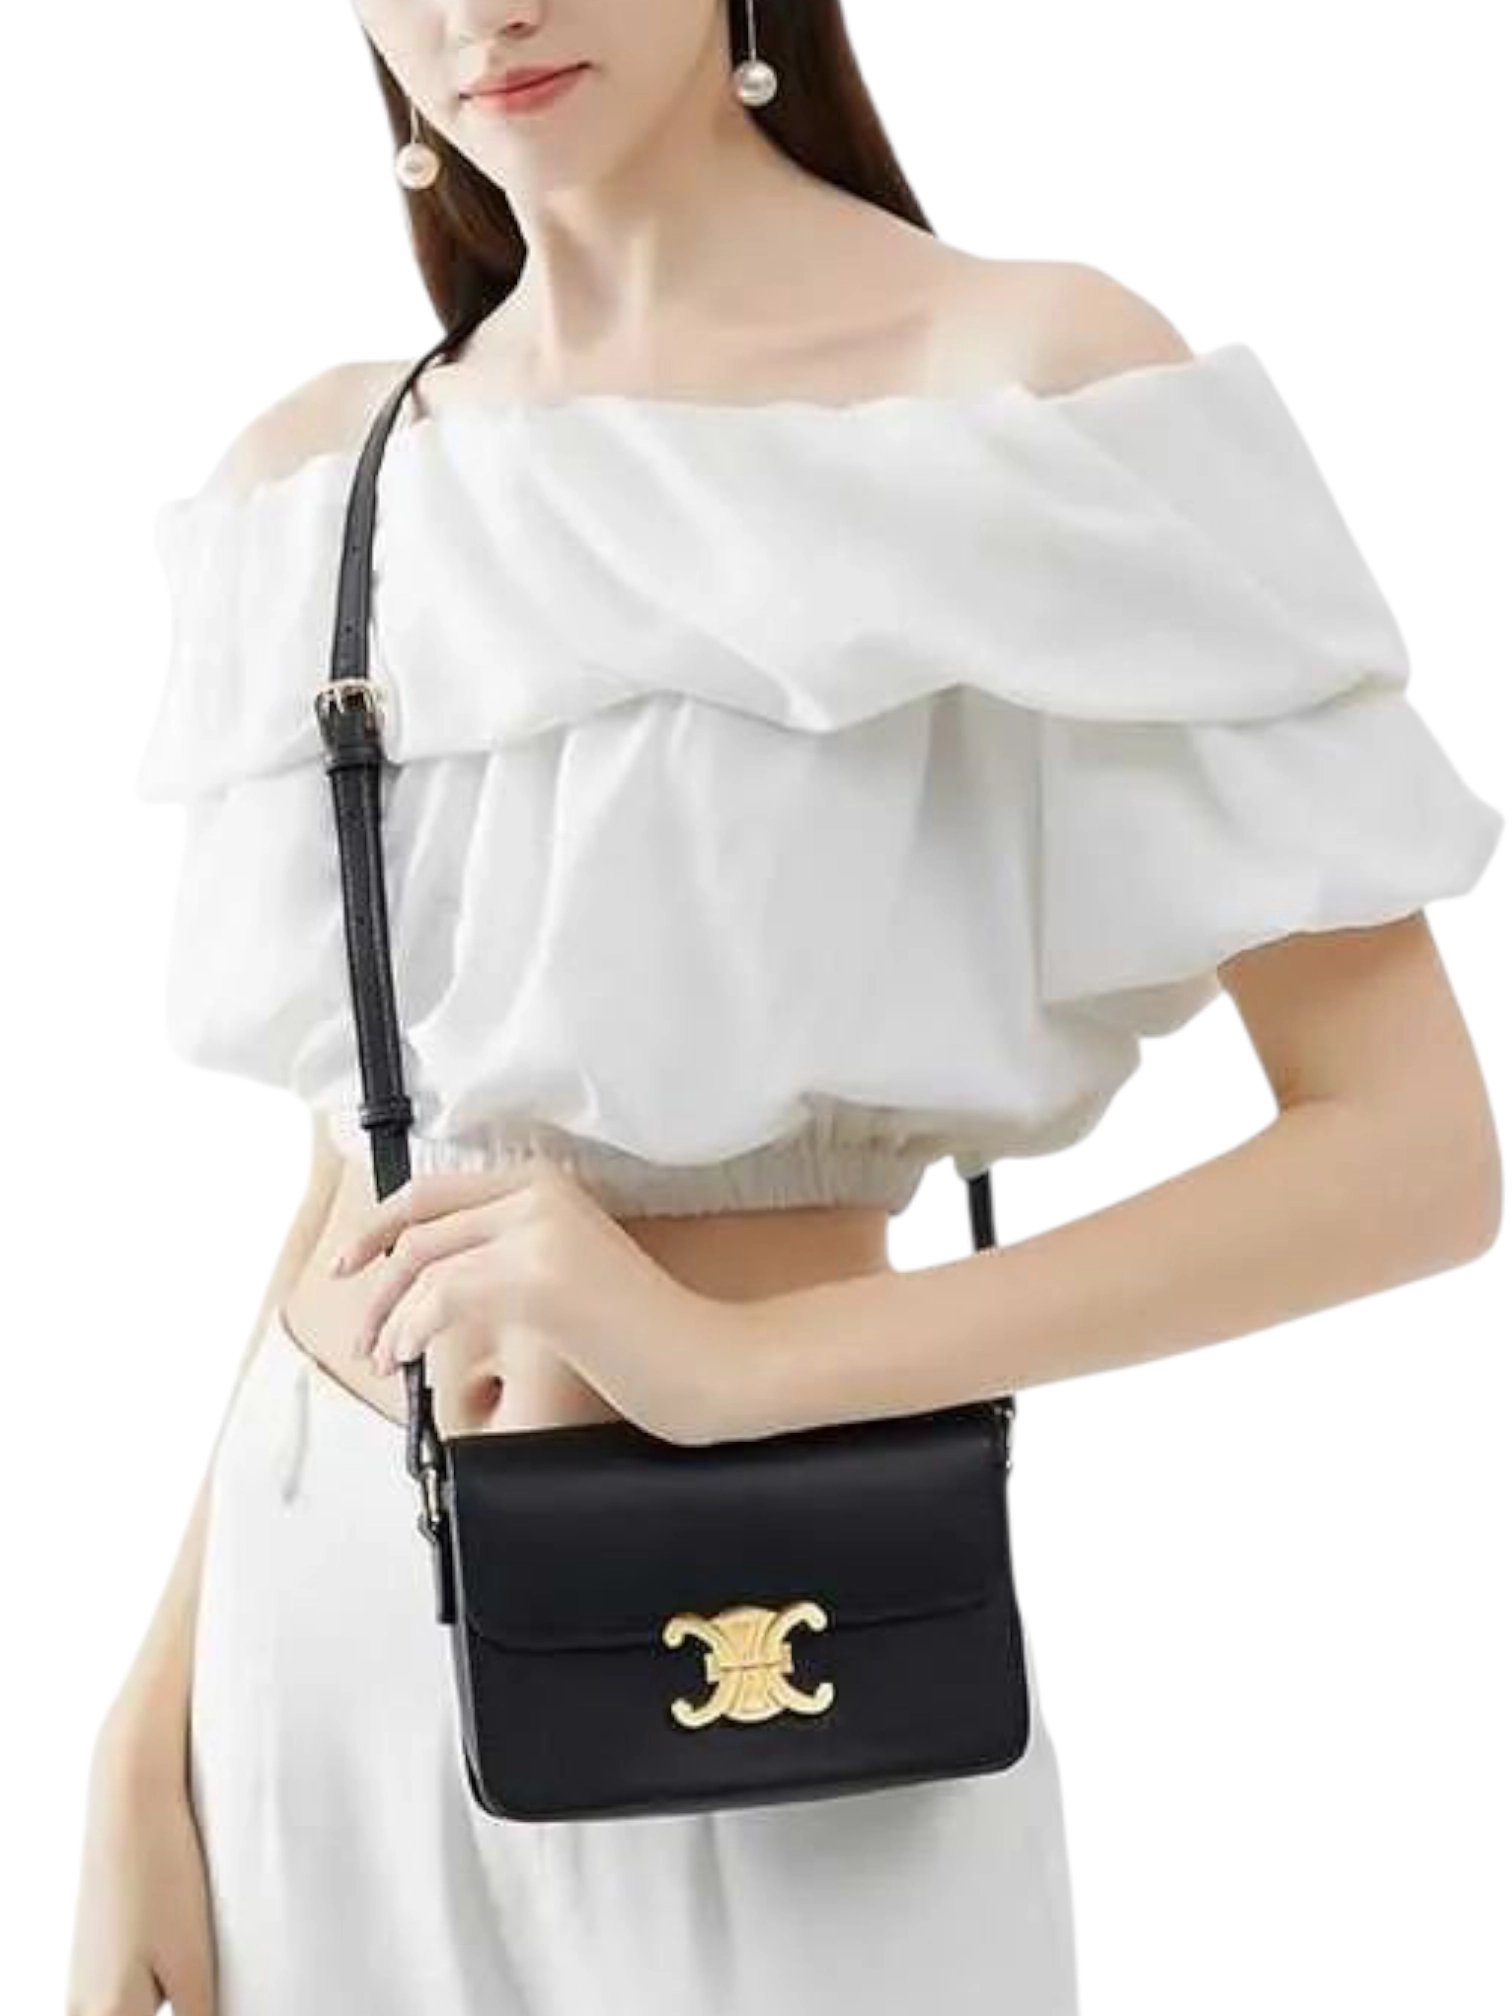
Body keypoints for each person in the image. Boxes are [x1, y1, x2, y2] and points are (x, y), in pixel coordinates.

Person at [68, 2, 1505, 2012]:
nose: (484, 8)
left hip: (771, 1629)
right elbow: (365, 1172)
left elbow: (1415, 1158)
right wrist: (146, 1730)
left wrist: (747, 1366)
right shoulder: (328, 476)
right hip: (306, 1649)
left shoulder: (1022, 385)